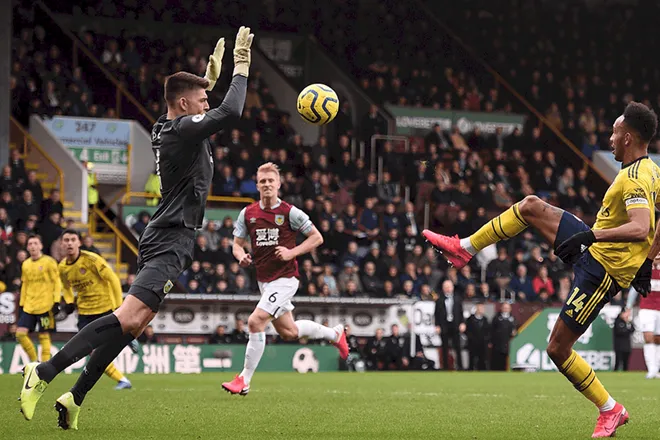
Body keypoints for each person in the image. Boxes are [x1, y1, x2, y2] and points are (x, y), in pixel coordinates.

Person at [18, 26, 253, 430]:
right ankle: (44, 371)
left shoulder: (167, 125)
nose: (207, 105)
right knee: (129, 318)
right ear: (185, 104)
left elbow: (188, 107)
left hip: (165, 234)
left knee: (136, 324)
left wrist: (206, 82)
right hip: (171, 236)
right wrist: (242, 67)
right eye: (202, 101)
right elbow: (230, 112)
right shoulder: (180, 130)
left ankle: (75, 397)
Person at [423, 102, 659, 438]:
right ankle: (464, 248)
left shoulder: (635, 179)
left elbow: (640, 227)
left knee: (557, 349)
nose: (609, 138)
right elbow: (654, 224)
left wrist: (594, 235)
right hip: (595, 250)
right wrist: (647, 260)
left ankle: (610, 409)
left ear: (628, 138)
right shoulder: (651, 172)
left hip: (602, 271)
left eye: (614, 132)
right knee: (531, 205)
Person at [222, 163, 348, 395]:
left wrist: (292, 252)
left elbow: (316, 238)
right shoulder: (247, 214)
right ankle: (335, 334)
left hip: (286, 278)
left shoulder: (290, 212)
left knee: (255, 321)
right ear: (257, 185)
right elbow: (237, 245)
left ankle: (244, 380)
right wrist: (240, 257)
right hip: (265, 280)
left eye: (271, 180)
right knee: (289, 332)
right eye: (263, 181)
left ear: (279, 184)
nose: (267, 184)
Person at [57, 229, 134, 392]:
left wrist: (118, 305)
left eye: (72, 239)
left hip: (104, 307)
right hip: (85, 312)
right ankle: (123, 380)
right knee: (92, 351)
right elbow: (65, 286)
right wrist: (70, 301)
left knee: (106, 346)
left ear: (79, 242)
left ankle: (128, 335)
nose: (69, 243)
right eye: (66, 240)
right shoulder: (62, 267)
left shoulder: (92, 259)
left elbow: (112, 279)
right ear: (62, 244)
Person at [16, 235, 66, 363]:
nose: (32, 246)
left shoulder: (49, 262)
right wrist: (21, 304)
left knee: (44, 336)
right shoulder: (26, 264)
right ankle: (34, 361)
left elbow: (57, 282)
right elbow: (25, 285)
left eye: (35, 243)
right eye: (30, 244)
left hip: (45, 306)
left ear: (41, 246)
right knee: (20, 334)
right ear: (27, 247)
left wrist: (56, 301)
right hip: (29, 306)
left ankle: (44, 366)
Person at [626, 260, 660, 378]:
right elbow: (634, 289)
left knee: (657, 339)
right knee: (648, 336)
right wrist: (628, 307)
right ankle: (652, 369)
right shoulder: (645, 268)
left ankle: (656, 369)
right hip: (647, 308)